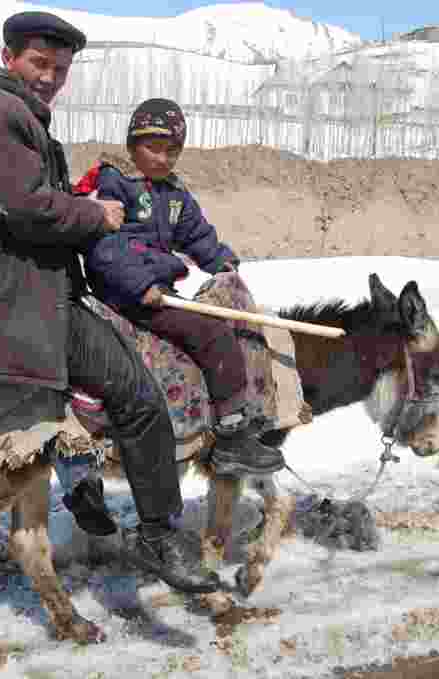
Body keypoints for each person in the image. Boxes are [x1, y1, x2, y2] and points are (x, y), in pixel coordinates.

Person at [0, 11, 220, 594]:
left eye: (60, 69)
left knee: (128, 390)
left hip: (33, 297)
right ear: (9, 57)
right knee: (138, 395)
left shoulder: (21, 117)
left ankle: (117, 501)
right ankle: (157, 531)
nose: (50, 77)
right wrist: (95, 214)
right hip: (16, 310)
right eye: (40, 63)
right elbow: (22, 206)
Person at [71, 97, 287, 477]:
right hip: (124, 292)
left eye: (173, 150)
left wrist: (221, 261)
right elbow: (104, 245)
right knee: (213, 334)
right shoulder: (114, 183)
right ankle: (232, 434)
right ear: (132, 145)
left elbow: (195, 234)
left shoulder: (173, 193)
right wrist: (141, 286)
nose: (163, 158)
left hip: (158, 289)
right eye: (153, 148)